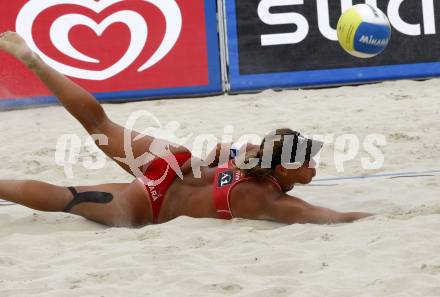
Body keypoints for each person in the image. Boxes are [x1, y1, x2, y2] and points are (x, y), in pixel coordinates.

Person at [0, 31, 371, 227]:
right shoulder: (268, 200)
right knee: (64, 197)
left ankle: (37, 63)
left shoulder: (250, 155)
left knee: (100, 122)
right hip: (154, 203)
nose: (314, 163)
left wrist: (219, 160)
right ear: (286, 167)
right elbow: (330, 217)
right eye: (307, 158)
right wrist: (371, 217)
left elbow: (221, 150)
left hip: (175, 162)